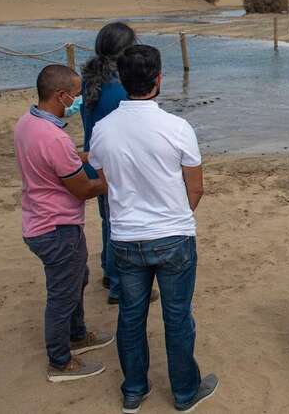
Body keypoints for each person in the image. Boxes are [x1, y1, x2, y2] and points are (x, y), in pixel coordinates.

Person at [88, 45, 218, 413]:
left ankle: (134, 389)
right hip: (172, 235)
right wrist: (175, 214)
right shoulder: (176, 127)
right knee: (177, 315)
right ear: (159, 79)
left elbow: (104, 177)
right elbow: (196, 186)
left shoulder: (103, 128)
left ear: (121, 80)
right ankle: (184, 392)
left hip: (127, 236)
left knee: (131, 314)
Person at [14, 64, 113, 382]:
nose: (79, 99)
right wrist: (110, 176)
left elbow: (60, 160)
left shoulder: (27, 123)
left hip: (39, 218)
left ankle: (77, 334)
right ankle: (60, 361)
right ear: (61, 95)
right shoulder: (52, 138)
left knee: (77, 278)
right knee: (62, 294)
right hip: (56, 227)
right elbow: (83, 190)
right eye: (76, 94)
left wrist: (87, 156)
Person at [80, 22, 149, 305]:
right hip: (117, 166)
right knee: (120, 222)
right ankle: (120, 286)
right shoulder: (121, 90)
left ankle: (110, 271)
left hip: (96, 163)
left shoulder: (89, 81)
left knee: (109, 219)